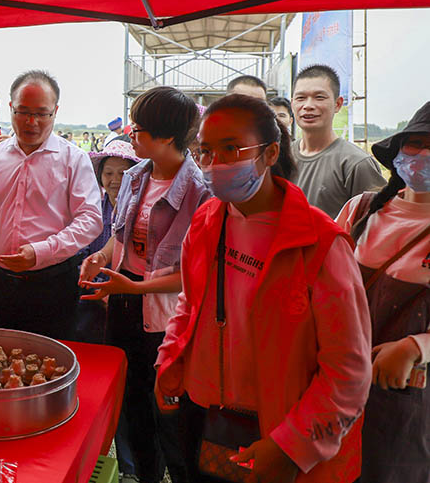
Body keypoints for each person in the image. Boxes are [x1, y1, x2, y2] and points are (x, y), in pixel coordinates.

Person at [155, 94, 371, 483]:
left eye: (231, 149)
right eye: (205, 152)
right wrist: (169, 361)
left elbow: (349, 370)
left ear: (271, 153)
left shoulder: (320, 244)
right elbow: (190, 303)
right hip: (207, 417)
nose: (215, 164)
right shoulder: (207, 221)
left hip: (280, 432)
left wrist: (292, 445)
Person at [79, 87, 210, 483]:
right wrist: (100, 257)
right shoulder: (137, 175)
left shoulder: (199, 192)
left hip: (166, 311)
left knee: (169, 411)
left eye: (140, 127)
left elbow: (195, 273)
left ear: (168, 136)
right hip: (124, 298)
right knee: (132, 403)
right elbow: (120, 238)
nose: (132, 132)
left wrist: (135, 288)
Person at [0, 70, 102, 340]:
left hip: (53, 286)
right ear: (10, 107)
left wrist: (41, 252)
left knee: (51, 366)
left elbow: (90, 220)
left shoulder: (73, 159)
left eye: (42, 113)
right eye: (23, 112)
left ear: (55, 111)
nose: (32, 122)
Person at [335, 100, 430, 483]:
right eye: (416, 143)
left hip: (408, 408)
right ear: (398, 150)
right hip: (337, 388)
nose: (424, 155)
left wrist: (415, 347)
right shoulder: (361, 210)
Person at [291, 64, 386, 218]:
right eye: (301, 98)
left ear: (338, 104)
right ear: (292, 103)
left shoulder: (356, 163)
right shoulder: (282, 156)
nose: (308, 106)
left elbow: (377, 223)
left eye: (319, 97)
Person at [75, 139, 141, 346]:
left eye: (122, 173)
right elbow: (82, 251)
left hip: (129, 294)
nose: (115, 180)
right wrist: (94, 287)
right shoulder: (92, 207)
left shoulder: (141, 210)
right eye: (109, 173)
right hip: (91, 291)